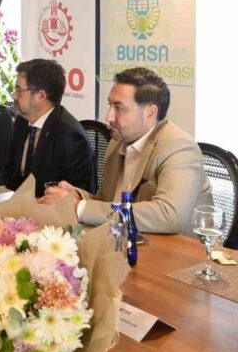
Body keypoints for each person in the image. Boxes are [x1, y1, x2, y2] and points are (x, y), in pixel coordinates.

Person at [42, 67, 212, 235]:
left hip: (176, 249)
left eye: (119, 108)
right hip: (126, 241)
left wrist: (80, 207)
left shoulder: (179, 147)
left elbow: (169, 215)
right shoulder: (117, 142)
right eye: (110, 105)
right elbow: (107, 202)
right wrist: (76, 197)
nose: (108, 117)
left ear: (150, 113)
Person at [1, 59, 93, 198]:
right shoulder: (22, 121)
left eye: (19, 90)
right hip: (17, 204)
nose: (14, 95)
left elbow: (78, 197)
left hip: (49, 209)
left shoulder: (70, 136)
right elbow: (9, 173)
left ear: (41, 95)